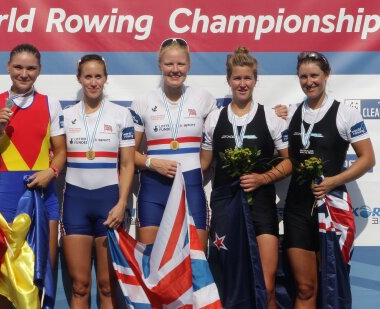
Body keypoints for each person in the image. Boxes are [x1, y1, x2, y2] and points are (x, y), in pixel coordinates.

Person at [200, 47, 291, 308]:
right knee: (228, 282)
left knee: (268, 284)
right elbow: (203, 166)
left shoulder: (272, 117)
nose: (242, 84)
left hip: (261, 206)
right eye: (237, 78)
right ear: (229, 80)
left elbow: (289, 161)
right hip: (225, 206)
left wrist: (263, 179)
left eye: (248, 78)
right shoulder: (214, 118)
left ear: (255, 80)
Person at [0, 43, 66, 307]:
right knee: (5, 278)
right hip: (7, 195)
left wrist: (51, 172)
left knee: (40, 273)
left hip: (43, 193)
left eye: (31, 68)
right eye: (18, 67)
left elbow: (61, 152)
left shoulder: (51, 103)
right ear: (8, 67)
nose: (24, 74)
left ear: (39, 70)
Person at [284, 51, 375, 308]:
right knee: (305, 288)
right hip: (297, 210)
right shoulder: (289, 112)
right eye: (303, 76)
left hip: (332, 207)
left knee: (332, 284)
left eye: (314, 75)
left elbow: (367, 159)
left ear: (326, 75)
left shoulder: (346, 114)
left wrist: (334, 181)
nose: (309, 81)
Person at [61, 54, 135, 308]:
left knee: (107, 285)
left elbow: (126, 164)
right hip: (75, 203)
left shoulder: (121, 114)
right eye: (88, 76)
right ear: (79, 79)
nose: (93, 82)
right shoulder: (66, 115)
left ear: (106, 78)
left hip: (109, 203)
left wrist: (122, 202)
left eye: (98, 76)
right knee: (80, 286)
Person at [131, 38, 216, 250]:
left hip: (192, 188)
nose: (175, 70)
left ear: (189, 66)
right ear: (160, 65)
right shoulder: (143, 101)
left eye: (180, 64)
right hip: (154, 189)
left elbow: (224, 129)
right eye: (169, 64)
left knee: (197, 265)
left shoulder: (204, 98)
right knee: (151, 265)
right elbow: (128, 155)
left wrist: (273, 112)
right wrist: (152, 163)